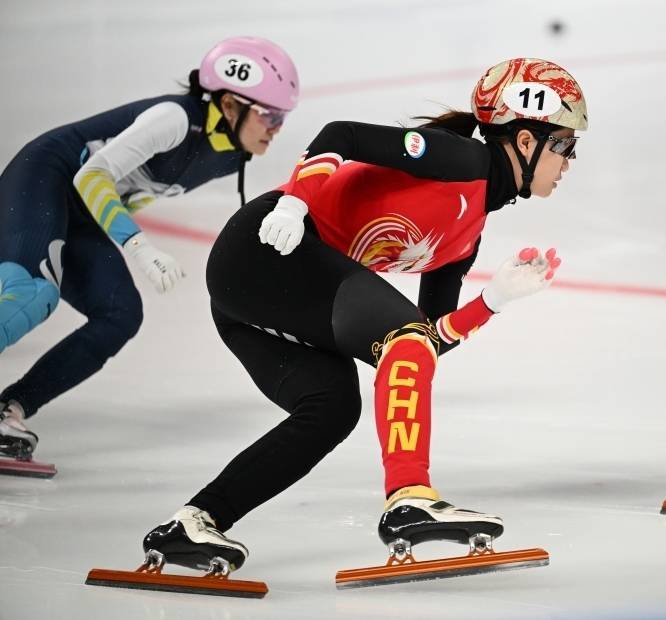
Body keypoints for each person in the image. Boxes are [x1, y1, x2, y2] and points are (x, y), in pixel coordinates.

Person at [140, 58, 587, 575]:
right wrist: (292, 204)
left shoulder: (467, 237)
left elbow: (425, 346)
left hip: (251, 299)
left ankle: (193, 522)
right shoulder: (460, 158)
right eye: (564, 145)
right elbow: (342, 134)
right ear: (526, 142)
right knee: (401, 338)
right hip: (266, 245)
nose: (570, 162)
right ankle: (409, 497)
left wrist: (491, 303)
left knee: (331, 409)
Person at [0, 37, 300, 462]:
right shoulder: (173, 118)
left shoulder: (231, 155)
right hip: (47, 175)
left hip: (80, 208)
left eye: (283, 116)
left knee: (121, 314)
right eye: (270, 114)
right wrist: (136, 245)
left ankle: (11, 406)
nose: (277, 127)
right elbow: (93, 176)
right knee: (34, 293)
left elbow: (134, 190)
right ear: (230, 105)